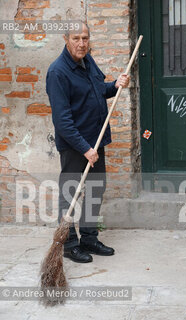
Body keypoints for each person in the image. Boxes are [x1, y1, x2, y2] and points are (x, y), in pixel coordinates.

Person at [46, 21, 130, 263]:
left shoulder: (87, 61)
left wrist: (114, 86)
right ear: (65, 38)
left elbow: (97, 91)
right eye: (76, 38)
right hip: (76, 145)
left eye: (85, 38)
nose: (82, 43)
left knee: (95, 189)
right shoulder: (58, 72)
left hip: (97, 139)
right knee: (70, 193)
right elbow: (62, 121)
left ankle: (89, 238)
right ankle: (69, 244)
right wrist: (85, 149)